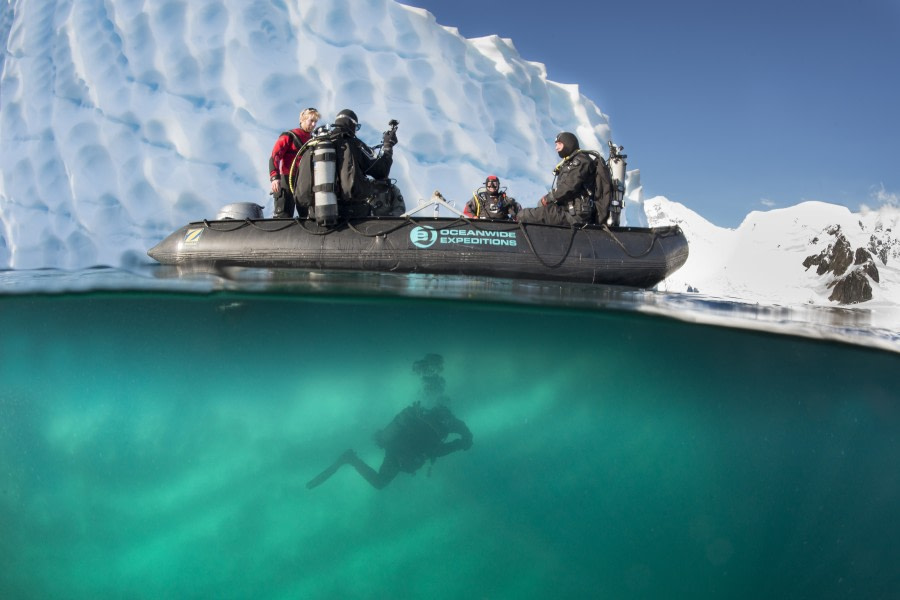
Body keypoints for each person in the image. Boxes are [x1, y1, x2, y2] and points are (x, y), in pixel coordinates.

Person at [306, 402, 473, 490]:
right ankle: (351, 459)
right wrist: (462, 443)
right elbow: (440, 449)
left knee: (381, 482)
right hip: (401, 455)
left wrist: (464, 439)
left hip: (395, 448)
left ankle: (350, 459)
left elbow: (462, 429)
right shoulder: (442, 427)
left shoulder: (426, 415)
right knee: (380, 482)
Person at [295, 109, 399, 219]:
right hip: (351, 211)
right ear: (352, 125)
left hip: (317, 211)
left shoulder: (316, 143)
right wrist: (388, 146)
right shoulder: (354, 144)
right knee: (387, 188)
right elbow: (381, 171)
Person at [518, 132, 597, 226]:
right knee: (538, 211)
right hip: (568, 211)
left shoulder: (581, 161)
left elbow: (568, 186)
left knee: (524, 215)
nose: (556, 148)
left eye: (559, 144)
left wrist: (548, 198)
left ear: (568, 143)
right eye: (556, 145)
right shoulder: (571, 162)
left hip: (575, 216)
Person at [268, 107, 320, 218]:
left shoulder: (313, 141)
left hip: (305, 182)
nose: (313, 124)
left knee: (308, 217)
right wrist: (274, 177)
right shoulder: (289, 136)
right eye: (311, 120)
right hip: (287, 179)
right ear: (302, 120)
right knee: (283, 216)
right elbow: (274, 156)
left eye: (315, 122)